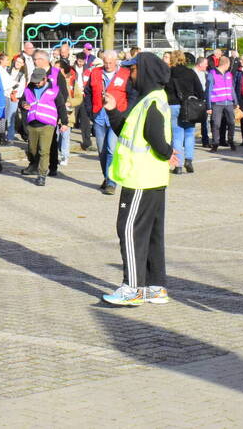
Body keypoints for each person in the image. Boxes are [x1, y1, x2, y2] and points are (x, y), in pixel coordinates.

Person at [101, 54, 179, 307]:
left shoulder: (151, 102)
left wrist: (167, 152)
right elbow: (127, 131)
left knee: (129, 230)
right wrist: (113, 110)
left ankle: (132, 287)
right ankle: (155, 287)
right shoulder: (149, 100)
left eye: (133, 71)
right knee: (152, 233)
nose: (130, 76)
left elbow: (155, 136)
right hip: (151, 177)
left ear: (145, 72)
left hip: (140, 178)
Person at [86, 49, 130, 195]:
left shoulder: (125, 74)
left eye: (111, 62)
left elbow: (131, 94)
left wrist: (126, 113)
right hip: (99, 115)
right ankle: (106, 176)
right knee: (102, 150)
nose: (108, 65)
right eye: (106, 62)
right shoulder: (95, 72)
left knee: (111, 148)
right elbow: (88, 92)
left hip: (117, 116)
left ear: (116, 61)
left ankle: (111, 182)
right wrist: (90, 111)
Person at [18, 68, 67, 186]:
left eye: (38, 81)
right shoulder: (28, 89)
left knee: (44, 151)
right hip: (32, 123)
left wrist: (64, 122)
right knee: (32, 150)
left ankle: (42, 175)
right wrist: (23, 104)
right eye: (34, 81)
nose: (36, 84)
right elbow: (22, 101)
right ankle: (34, 166)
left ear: (45, 79)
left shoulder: (54, 89)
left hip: (48, 124)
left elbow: (61, 106)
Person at [167, 50, 203, 174]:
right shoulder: (190, 72)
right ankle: (189, 160)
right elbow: (200, 91)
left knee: (177, 136)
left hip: (173, 105)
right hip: (189, 106)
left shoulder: (168, 73)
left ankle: (178, 166)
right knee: (189, 134)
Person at [205, 55, 238, 152]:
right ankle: (215, 143)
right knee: (216, 124)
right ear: (226, 64)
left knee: (231, 123)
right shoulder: (212, 74)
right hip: (217, 103)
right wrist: (209, 106)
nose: (229, 66)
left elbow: (231, 88)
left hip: (229, 103)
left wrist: (235, 101)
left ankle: (231, 141)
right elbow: (208, 90)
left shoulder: (228, 74)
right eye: (229, 64)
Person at [71, 52, 94, 151]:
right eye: (79, 61)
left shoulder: (88, 70)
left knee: (85, 121)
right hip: (74, 97)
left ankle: (87, 143)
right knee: (71, 119)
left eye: (82, 61)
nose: (80, 63)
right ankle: (63, 142)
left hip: (84, 97)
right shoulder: (71, 70)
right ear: (76, 60)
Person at [4, 54, 28, 143]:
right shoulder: (6, 70)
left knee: (11, 118)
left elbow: (20, 89)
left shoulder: (22, 75)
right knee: (2, 117)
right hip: (4, 95)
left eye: (20, 62)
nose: (18, 63)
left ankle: (10, 137)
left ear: (23, 64)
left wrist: (12, 91)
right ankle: (0, 135)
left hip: (14, 98)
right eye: (17, 61)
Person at [194, 57, 210, 147]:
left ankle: (205, 141)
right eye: (205, 64)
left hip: (203, 100)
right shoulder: (191, 73)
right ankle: (189, 141)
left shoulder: (206, 74)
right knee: (192, 121)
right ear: (200, 64)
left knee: (204, 122)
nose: (207, 65)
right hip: (193, 100)